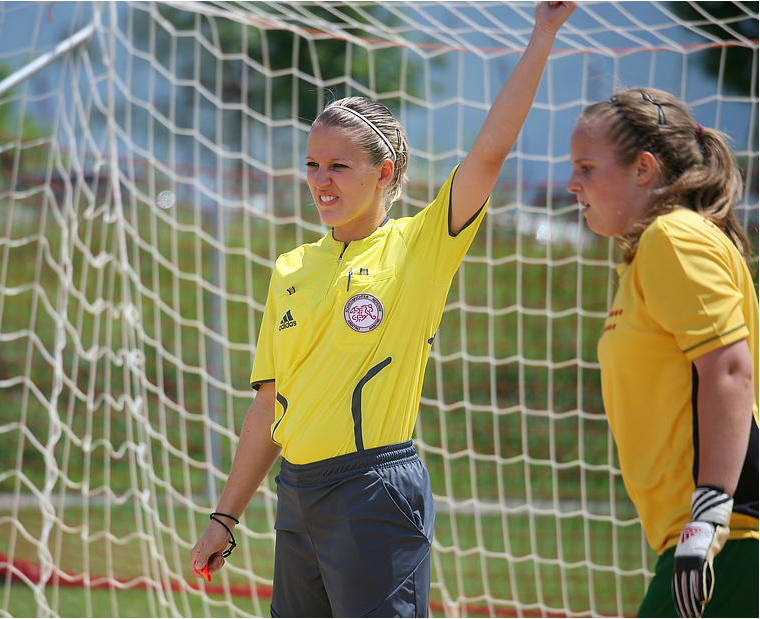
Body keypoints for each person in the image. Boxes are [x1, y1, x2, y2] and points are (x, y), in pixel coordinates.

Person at [189, 2, 576, 616]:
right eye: (313, 164)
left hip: (373, 489)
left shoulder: (420, 246)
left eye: (340, 165)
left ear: (383, 172)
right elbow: (269, 403)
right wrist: (224, 517)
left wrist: (543, 34)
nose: (322, 180)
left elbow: (488, 154)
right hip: (296, 496)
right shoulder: (290, 268)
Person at [567, 87, 759, 618]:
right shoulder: (652, 249)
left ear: (643, 169)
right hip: (714, 538)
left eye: (586, 166)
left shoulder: (672, 238)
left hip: (733, 540)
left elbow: (729, 369)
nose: (571, 184)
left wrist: (710, 512)